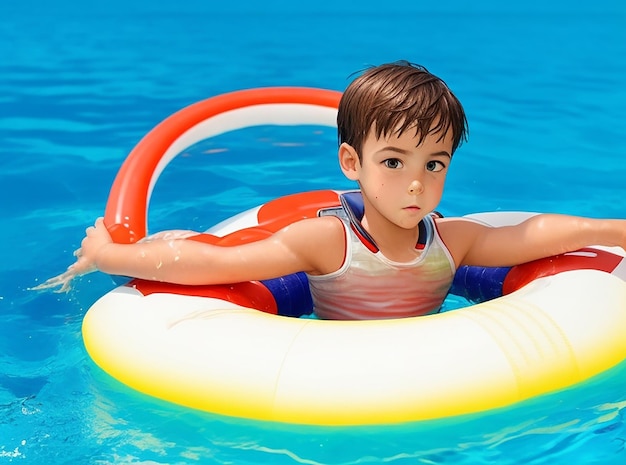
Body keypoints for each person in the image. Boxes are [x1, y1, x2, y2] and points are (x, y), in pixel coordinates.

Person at [37, 61, 626, 319]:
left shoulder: (454, 241)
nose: (417, 182)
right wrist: (111, 255)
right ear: (353, 162)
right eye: (393, 162)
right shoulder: (328, 241)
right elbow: (221, 262)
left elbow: (536, 234)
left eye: (436, 163)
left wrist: (614, 230)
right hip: (328, 367)